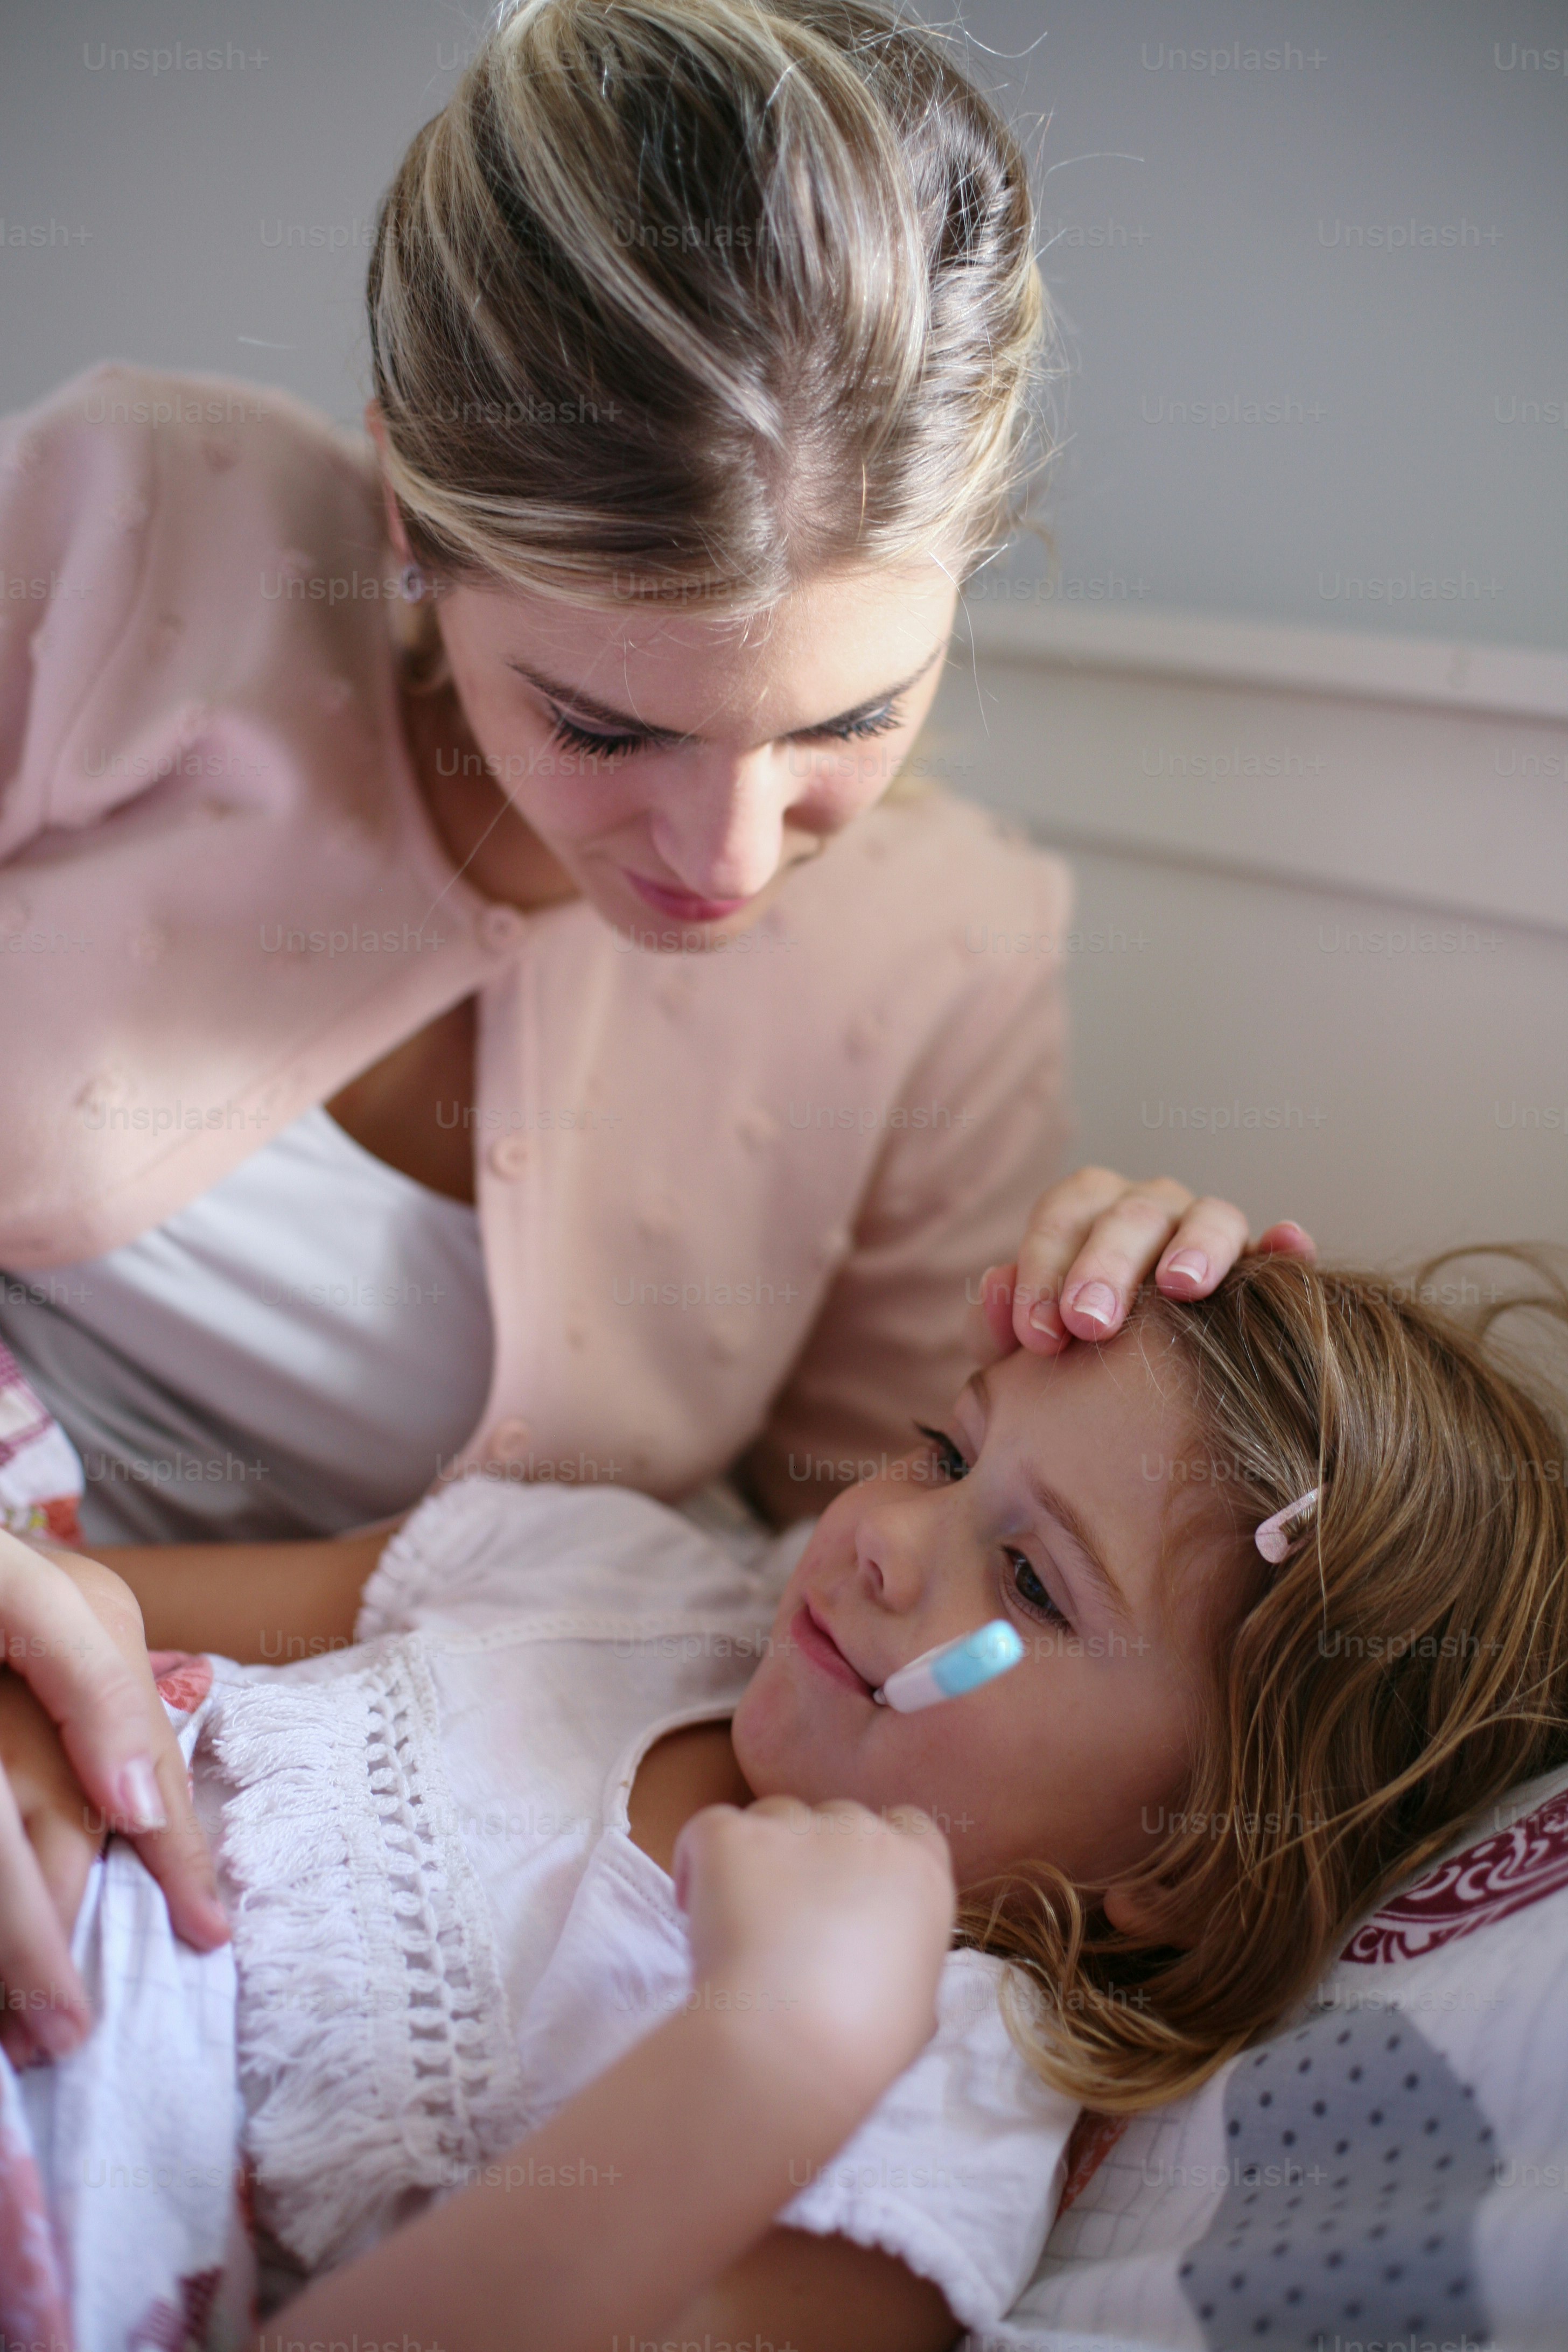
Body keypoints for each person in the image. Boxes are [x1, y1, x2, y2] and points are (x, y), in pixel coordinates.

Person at [0, 2, 1310, 2040]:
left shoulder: (943, 960)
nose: (728, 854)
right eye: (602, 722)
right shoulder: (138, 530)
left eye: (851, 720)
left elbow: (864, 1574)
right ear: (414, 531)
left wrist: (1135, 1346)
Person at [3, 1248, 1564, 2351]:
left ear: (1183, 1857)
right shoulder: (601, 1577)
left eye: (1030, 1576)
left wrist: (775, 2048)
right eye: (946, 1452)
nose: (892, 1536)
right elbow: (72, 1606)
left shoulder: (935, 2097)